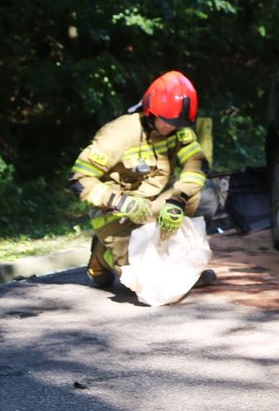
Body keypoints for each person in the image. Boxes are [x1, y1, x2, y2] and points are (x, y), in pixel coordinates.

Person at [69, 70, 215, 290]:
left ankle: (178, 261)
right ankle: (102, 256)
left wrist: (177, 202)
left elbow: (196, 165)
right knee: (145, 282)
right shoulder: (119, 133)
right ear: (150, 112)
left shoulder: (177, 131)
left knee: (207, 193)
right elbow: (79, 179)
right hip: (115, 212)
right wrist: (121, 202)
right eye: (167, 121)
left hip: (153, 206)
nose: (172, 127)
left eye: (178, 123)